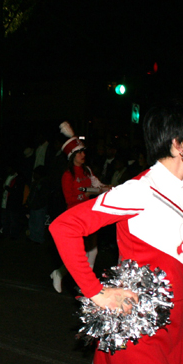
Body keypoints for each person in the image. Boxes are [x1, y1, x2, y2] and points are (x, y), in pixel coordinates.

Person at [49, 101, 183, 364]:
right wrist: (96, 293)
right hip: (138, 330)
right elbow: (64, 227)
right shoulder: (141, 190)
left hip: (172, 327)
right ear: (178, 145)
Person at [50, 121, 109, 293]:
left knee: (93, 250)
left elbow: (98, 186)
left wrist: (109, 188)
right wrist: (89, 193)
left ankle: (84, 284)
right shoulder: (67, 176)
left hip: (90, 215)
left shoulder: (88, 171)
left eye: (83, 151)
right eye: (80, 152)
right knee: (79, 254)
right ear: (72, 156)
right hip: (77, 217)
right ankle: (60, 273)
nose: (83, 155)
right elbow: (71, 199)